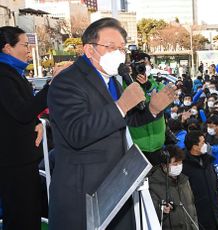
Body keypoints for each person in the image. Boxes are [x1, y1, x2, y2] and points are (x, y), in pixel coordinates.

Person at [47, 18, 175, 229]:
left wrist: (153, 109)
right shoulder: (67, 82)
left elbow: (125, 120)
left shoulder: (113, 80)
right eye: (111, 47)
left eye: (122, 48)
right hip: (84, 192)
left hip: (117, 186)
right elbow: (77, 132)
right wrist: (121, 105)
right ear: (89, 50)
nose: (119, 53)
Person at [0, 26, 68, 230]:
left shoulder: (13, 73)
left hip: (21, 158)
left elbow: (14, 113)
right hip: (14, 161)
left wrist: (37, 123)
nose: (29, 50)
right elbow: (22, 111)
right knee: (22, 216)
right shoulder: (4, 76)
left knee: (28, 213)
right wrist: (52, 84)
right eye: (25, 45)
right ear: (7, 48)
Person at [127, 53, 167, 166]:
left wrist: (147, 85)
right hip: (137, 147)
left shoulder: (157, 84)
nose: (142, 67)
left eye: (145, 64)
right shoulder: (125, 84)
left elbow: (163, 101)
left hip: (158, 145)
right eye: (138, 65)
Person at [148, 145, 198, 230]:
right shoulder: (153, 185)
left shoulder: (184, 181)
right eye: (175, 164)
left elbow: (192, 206)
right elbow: (151, 214)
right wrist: (161, 209)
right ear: (164, 165)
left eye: (180, 163)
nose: (178, 166)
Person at [183, 131, 218, 230]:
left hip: (215, 210)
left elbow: (215, 181)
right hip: (200, 214)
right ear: (195, 147)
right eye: (203, 142)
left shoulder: (207, 159)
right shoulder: (185, 167)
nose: (206, 145)